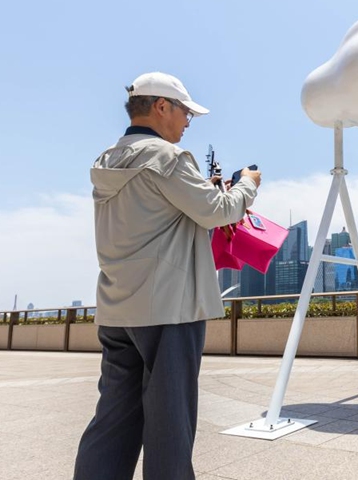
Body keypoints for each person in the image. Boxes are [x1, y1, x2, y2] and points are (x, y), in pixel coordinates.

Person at [74, 72, 261, 480]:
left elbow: (154, 213)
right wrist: (246, 185)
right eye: (185, 112)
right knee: (169, 427)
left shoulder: (107, 160)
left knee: (112, 423)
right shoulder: (169, 158)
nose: (187, 121)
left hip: (117, 308)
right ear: (161, 106)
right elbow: (219, 210)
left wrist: (203, 192)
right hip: (169, 310)